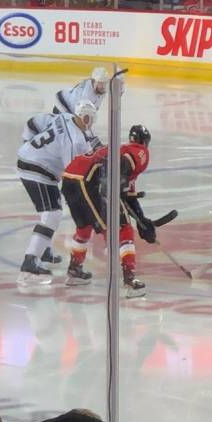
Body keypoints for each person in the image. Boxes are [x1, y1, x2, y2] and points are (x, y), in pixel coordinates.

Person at [60, 124, 158, 298]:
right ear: (145, 141)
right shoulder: (140, 150)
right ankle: (129, 279)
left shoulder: (120, 148)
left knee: (84, 227)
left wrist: (142, 221)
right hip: (88, 180)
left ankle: (75, 270)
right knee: (122, 228)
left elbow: (129, 196)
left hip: (70, 177)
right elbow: (126, 162)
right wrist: (117, 181)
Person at [15, 101, 99, 286]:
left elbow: (35, 122)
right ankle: (28, 267)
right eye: (87, 118)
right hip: (38, 170)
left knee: (52, 213)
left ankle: (42, 248)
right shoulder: (74, 142)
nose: (89, 122)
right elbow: (73, 173)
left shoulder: (67, 117)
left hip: (31, 161)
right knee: (52, 214)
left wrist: (28, 146)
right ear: (82, 116)